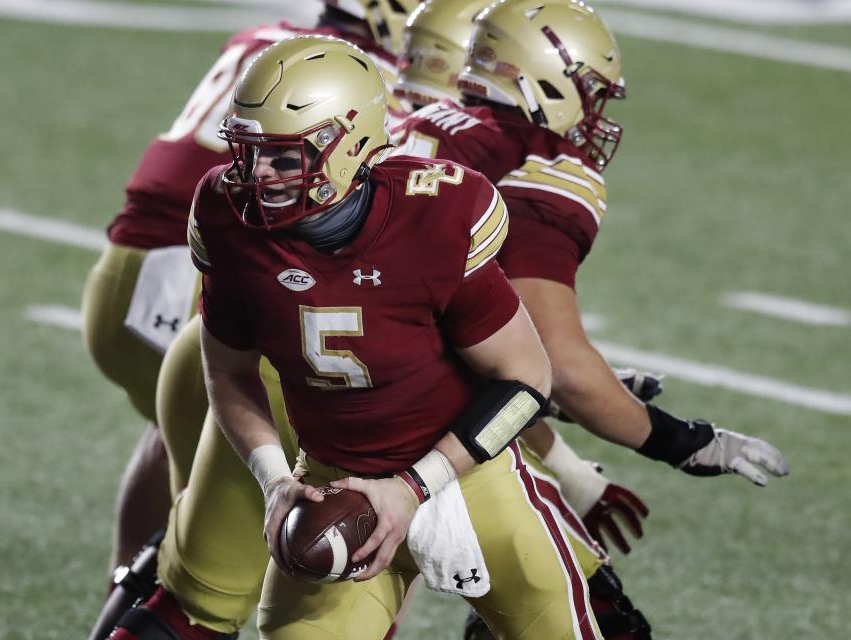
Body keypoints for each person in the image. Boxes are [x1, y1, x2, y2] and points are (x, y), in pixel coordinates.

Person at [115, 34, 605, 640]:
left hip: (468, 485)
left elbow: (527, 379)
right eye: (246, 153)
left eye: (282, 158)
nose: (255, 176)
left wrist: (412, 488)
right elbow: (229, 371)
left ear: (347, 146)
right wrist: (274, 481)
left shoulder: (438, 213)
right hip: (332, 485)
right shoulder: (222, 213)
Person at [391, 0, 790, 636]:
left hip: (303, 386)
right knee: (597, 622)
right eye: (588, 91)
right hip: (407, 432)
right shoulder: (539, 163)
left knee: (206, 600)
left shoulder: (418, 122)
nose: (594, 111)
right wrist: (682, 441)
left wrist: (555, 399)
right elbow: (561, 366)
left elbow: (444, 327)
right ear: (542, 80)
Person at [84, 3, 422, 638]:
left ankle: (134, 598)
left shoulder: (267, 46)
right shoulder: (353, 89)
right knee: (325, 504)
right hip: (207, 279)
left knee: (176, 453)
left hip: (128, 267)